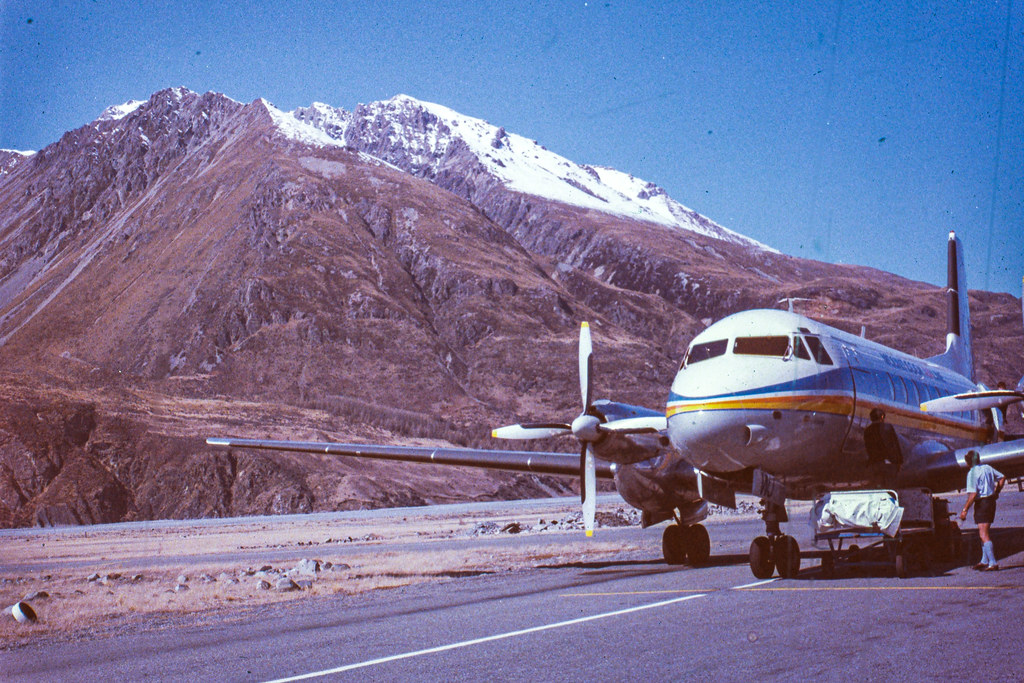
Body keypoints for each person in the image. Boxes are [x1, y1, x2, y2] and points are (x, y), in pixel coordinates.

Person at [959, 450, 1006, 571]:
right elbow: (1002, 477)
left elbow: (973, 494)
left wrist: (965, 510)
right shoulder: (987, 467)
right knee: (983, 532)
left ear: (969, 462)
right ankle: (984, 560)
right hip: (991, 502)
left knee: (983, 534)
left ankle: (993, 563)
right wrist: (997, 492)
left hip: (982, 504)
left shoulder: (972, 473)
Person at [864, 408, 902, 487]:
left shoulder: (867, 430)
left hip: (874, 464)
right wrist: (899, 461)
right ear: (882, 417)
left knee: (877, 487)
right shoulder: (887, 428)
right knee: (889, 487)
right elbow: (894, 445)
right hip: (888, 464)